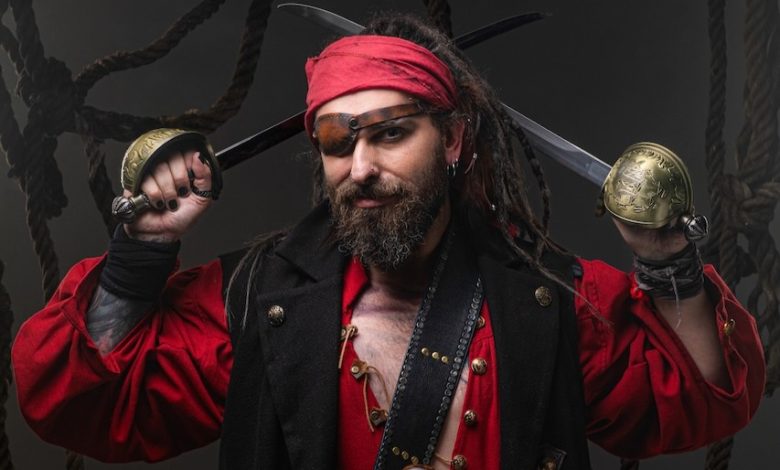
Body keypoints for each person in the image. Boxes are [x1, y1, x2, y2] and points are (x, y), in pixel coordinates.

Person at [12, 13, 764, 470]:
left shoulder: (553, 295)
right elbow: (79, 404)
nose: (361, 167)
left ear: (455, 139)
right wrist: (141, 253)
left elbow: (699, 400)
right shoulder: (255, 299)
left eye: (391, 133)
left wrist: (667, 258)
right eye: (337, 142)